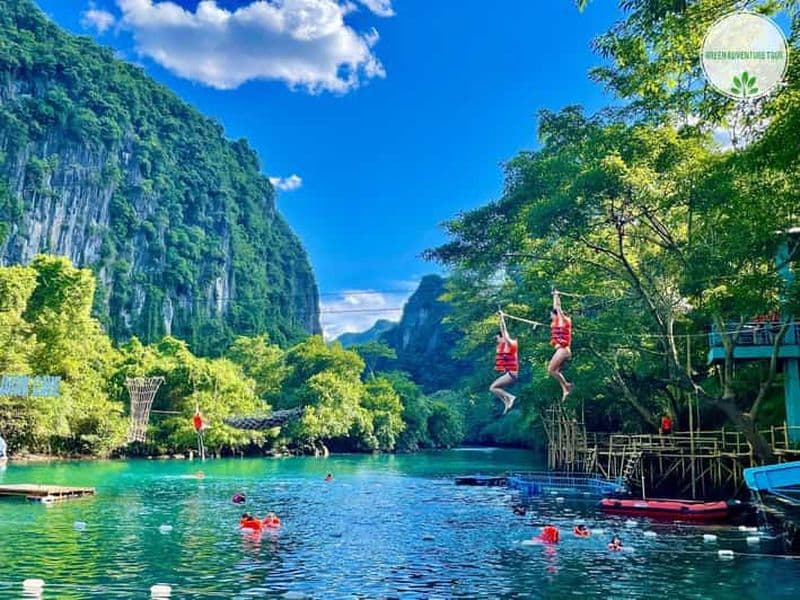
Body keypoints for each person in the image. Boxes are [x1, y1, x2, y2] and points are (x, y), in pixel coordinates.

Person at [490, 312, 519, 415]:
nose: (497, 340)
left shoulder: (510, 344)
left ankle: (510, 397)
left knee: (493, 388)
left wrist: (501, 319)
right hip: (510, 374)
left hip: (512, 374)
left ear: (502, 337)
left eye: (498, 338)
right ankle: (506, 402)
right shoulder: (504, 347)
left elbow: (505, 332)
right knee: (495, 388)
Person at [548, 290, 573, 400]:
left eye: (551, 315)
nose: (550, 317)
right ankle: (565, 389)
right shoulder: (557, 322)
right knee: (555, 371)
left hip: (563, 350)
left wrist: (557, 296)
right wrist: (554, 296)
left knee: (551, 370)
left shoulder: (564, 321)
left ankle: (567, 385)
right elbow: (555, 307)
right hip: (561, 350)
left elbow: (558, 308)